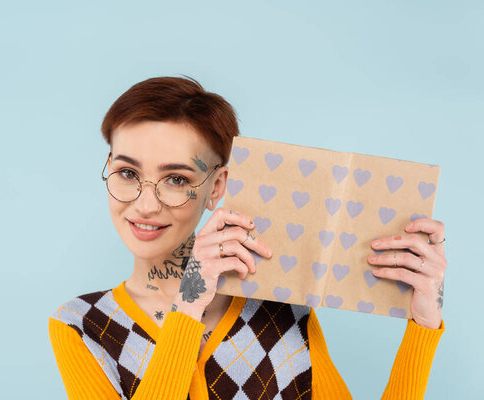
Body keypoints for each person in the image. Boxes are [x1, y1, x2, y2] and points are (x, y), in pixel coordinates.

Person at [48, 76, 446, 400]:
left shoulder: (282, 312)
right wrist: (188, 306)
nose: (145, 205)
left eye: (176, 179)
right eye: (128, 173)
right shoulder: (81, 326)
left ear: (217, 187)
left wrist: (423, 328)